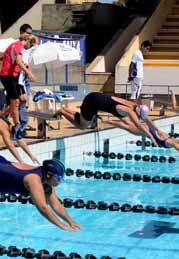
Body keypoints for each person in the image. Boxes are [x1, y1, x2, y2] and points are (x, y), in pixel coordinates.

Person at [0, 155, 82, 231]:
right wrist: (61, 225)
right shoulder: (33, 179)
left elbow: (56, 204)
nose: (60, 181)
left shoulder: (47, 181)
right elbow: (43, 207)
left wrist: (70, 221)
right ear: (49, 175)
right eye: (58, 178)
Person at [54, 92, 159, 147]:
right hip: (92, 103)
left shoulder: (134, 105)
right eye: (139, 117)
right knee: (83, 126)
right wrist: (152, 138)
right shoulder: (129, 111)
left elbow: (145, 119)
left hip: (94, 96)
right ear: (137, 113)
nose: (138, 118)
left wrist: (158, 130)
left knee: (84, 118)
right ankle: (62, 111)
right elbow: (139, 125)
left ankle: (65, 109)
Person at [0, 32, 35, 140]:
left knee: (19, 101)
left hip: (14, 77)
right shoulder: (18, 45)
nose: (30, 46)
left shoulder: (17, 47)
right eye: (31, 44)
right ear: (28, 41)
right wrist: (29, 73)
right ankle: (17, 125)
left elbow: (17, 63)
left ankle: (2, 114)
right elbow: (18, 62)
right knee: (15, 101)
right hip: (8, 76)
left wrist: (24, 66)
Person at [104, 116, 179, 150]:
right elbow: (176, 146)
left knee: (128, 123)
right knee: (126, 126)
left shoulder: (169, 137)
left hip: (148, 129)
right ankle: (107, 121)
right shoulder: (170, 142)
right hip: (146, 130)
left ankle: (114, 114)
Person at [19, 24, 37, 130]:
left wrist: (29, 72)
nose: (30, 35)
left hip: (25, 76)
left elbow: (28, 61)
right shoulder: (18, 45)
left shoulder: (28, 46)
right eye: (28, 33)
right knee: (18, 101)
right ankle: (20, 124)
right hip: (19, 77)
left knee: (25, 101)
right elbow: (18, 61)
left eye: (31, 33)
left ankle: (24, 124)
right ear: (22, 32)